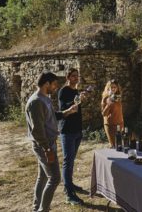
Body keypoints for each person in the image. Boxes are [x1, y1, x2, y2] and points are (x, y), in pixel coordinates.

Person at [26, 72, 77, 212]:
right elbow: (37, 130)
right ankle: (43, 210)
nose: (56, 87)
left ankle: (36, 208)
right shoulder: (36, 101)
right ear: (46, 83)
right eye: (54, 84)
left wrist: (68, 111)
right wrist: (47, 149)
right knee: (54, 178)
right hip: (44, 145)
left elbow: (52, 116)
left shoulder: (45, 98)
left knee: (42, 177)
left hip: (49, 144)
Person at [57, 68, 88, 205]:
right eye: (74, 76)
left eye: (77, 76)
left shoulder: (76, 91)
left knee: (71, 160)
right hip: (67, 131)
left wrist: (80, 98)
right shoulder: (63, 91)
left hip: (77, 130)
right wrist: (76, 101)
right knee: (67, 161)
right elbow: (64, 108)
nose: (76, 78)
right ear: (68, 77)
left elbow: (77, 110)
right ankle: (69, 193)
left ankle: (69, 184)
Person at [101, 79, 124, 148]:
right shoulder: (105, 99)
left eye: (115, 87)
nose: (113, 88)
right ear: (108, 88)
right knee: (113, 145)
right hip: (110, 125)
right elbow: (104, 114)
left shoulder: (118, 97)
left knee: (120, 144)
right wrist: (109, 103)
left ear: (117, 88)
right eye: (111, 87)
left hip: (120, 123)